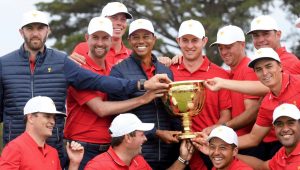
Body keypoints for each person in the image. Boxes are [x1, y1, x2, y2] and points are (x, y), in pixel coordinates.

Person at [0, 10, 171, 167]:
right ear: (21, 32)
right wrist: (144, 94)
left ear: (48, 31)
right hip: (31, 146)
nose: (35, 33)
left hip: (57, 146)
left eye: (40, 28)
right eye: (30, 28)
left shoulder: (66, 62)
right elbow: (101, 107)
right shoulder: (6, 64)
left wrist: (148, 78)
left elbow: (100, 82)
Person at [64, 16, 165, 169]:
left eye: (105, 38)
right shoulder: (79, 71)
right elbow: (101, 109)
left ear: (112, 40)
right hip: (82, 149)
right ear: (87, 39)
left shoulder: (113, 69)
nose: (100, 43)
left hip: (110, 148)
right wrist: (143, 99)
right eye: (95, 38)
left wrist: (163, 60)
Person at [109, 19, 181, 169]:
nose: (141, 41)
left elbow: (170, 110)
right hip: (138, 154)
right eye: (136, 37)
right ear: (129, 40)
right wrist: (156, 133)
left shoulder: (165, 70)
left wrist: (183, 133)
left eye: (146, 36)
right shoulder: (119, 71)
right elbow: (119, 115)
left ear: (154, 39)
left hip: (169, 151)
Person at [169, 19, 232, 169]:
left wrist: (212, 130)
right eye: (185, 40)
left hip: (208, 147)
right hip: (175, 147)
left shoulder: (220, 74)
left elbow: (226, 115)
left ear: (204, 41)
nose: (190, 46)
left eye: (195, 40)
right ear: (178, 41)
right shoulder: (168, 71)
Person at [236, 47, 300, 160]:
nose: (265, 73)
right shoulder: (266, 104)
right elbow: (253, 138)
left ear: (280, 66)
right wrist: (217, 142)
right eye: (259, 69)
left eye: (269, 66)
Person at [210, 25, 262, 157]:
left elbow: (252, 113)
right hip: (235, 143)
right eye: (220, 48)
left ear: (242, 44)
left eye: (228, 47)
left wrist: (223, 127)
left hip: (247, 146)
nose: (223, 52)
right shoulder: (231, 72)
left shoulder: (249, 69)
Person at [71, 1, 173, 67]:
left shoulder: (132, 55)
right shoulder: (83, 48)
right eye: (114, 18)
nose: (119, 23)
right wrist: (67, 61)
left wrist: (163, 60)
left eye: (123, 19)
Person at [85, 113, 194, 170]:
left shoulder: (138, 161)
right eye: (141, 135)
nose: (145, 138)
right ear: (128, 138)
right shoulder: (97, 166)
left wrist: (183, 158)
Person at [0, 96, 84, 170]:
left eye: (54, 118)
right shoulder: (14, 149)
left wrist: (74, 163)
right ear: (31, 118)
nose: (52, 122)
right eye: (47, 116)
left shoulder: (53, 153)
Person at [236, 103, 300, 169]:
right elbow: (263, 166)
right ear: (274, 128)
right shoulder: (283, 152)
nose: (285, 129)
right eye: (279, 124)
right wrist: (232, 155)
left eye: (291, 123)